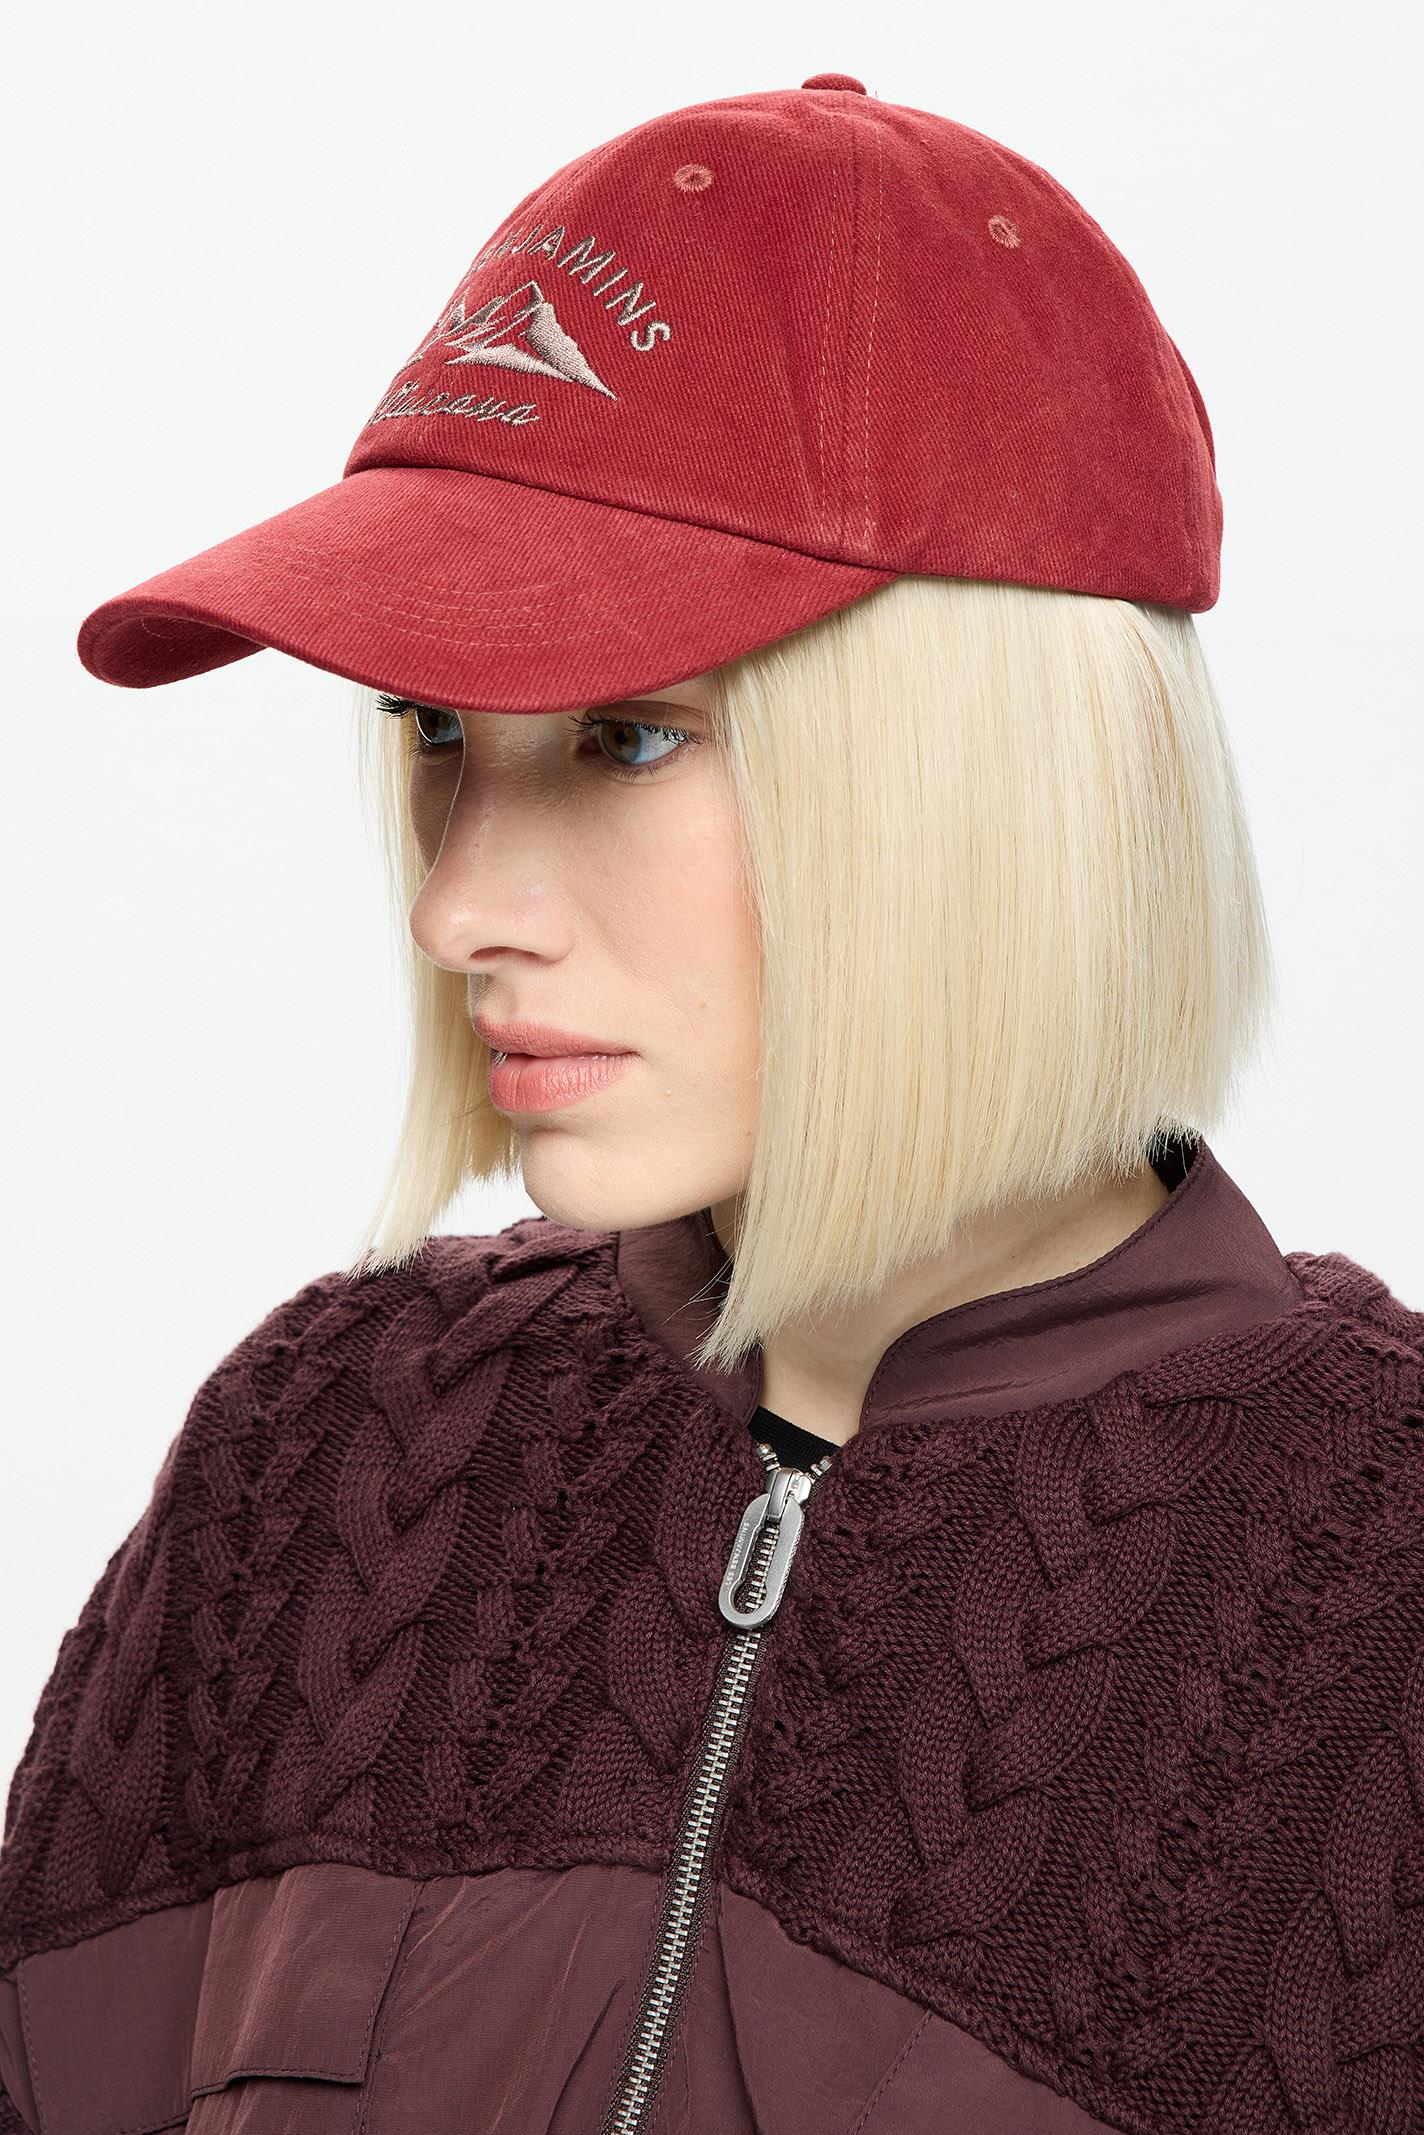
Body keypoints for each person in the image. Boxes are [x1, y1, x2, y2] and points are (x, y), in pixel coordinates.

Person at [2, 70, 1420, 2135]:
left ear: (991, 777)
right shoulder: (321, 1458)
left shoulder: (1377, 1596)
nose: (456, 906)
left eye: (630, 739)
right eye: (435, 733)